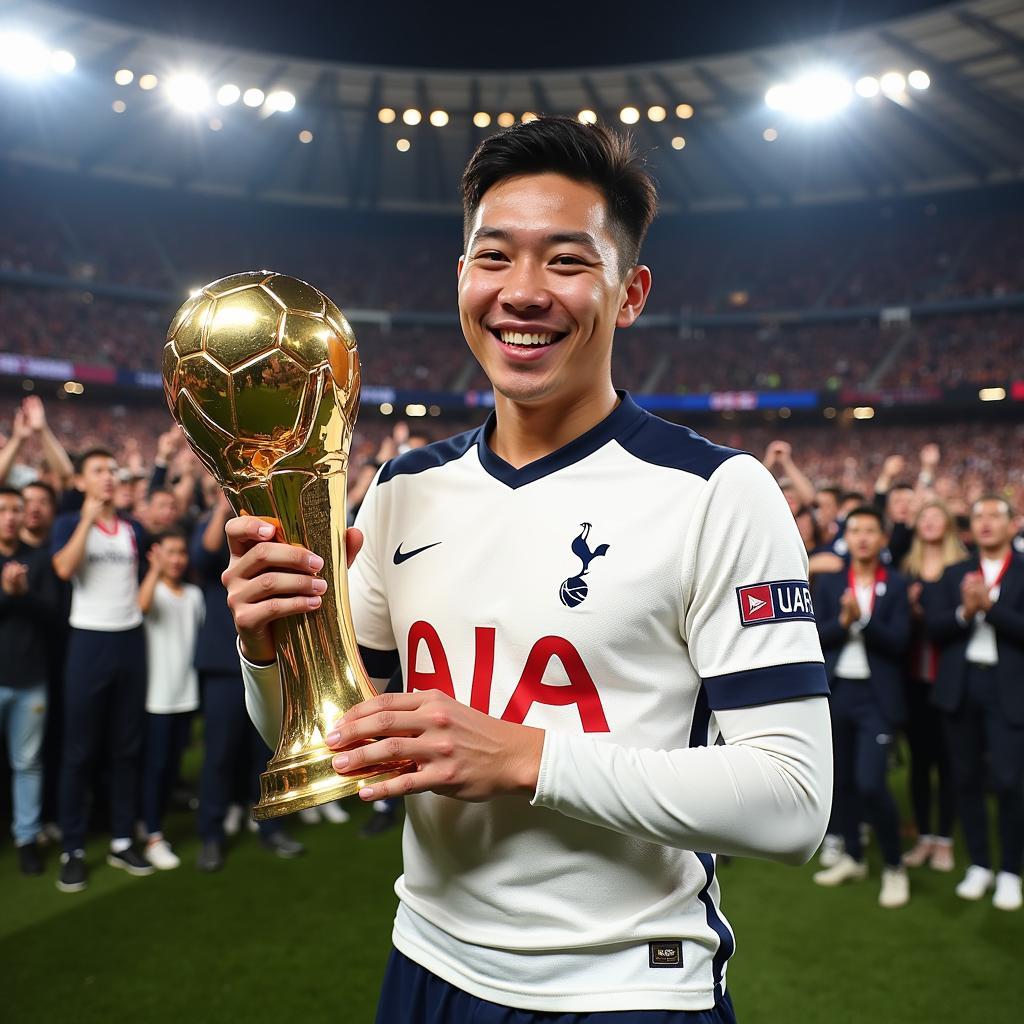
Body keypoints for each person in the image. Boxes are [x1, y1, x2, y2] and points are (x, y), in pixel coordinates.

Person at [226, 117, 832, 1021]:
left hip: (624, 986)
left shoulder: (717, 492)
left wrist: (526, 757)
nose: (523, 291)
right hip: (423, 958)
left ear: (630, 294)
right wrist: (274, 653)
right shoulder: (401, 488)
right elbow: (336, 744)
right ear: (463, 278)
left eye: (567, 261)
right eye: (495, 256)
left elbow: (791, 803)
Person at [51, 447, 153, 892]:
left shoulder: (133, 528)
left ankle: (119, 837)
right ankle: (72, 847)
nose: (108, 477)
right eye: (98, 471)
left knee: (127, 748)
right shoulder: (69, 525)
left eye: (112, 470)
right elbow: (63, 569)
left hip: (130, 640)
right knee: (79, 751)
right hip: (88, 641)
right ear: (80, 482)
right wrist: (88, 520)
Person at [191, 492, 303, 872]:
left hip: (272, 661)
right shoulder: (214, 527)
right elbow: (203, 556)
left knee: (269, 754)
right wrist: (224, 504)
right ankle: (211, 835)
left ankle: (273, 828)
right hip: (224, 664)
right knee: (219, 755)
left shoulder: (269, 527)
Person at [925, 495, 1024, 912]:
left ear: (1012, 524)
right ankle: (981, 864)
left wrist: (992, 609)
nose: (984, 523)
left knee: (1009, 783)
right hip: (961, 688)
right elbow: (934, 628)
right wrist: (966, 613)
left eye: (993, 516)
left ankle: (1010, 872)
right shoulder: (955, 572)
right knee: (964, 779)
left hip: (1009, 690)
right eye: (978, 516)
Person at [812, 506, 911, 907]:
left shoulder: (898, 583)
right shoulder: (831, 581)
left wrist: (863, 621)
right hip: (838, 692)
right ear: (846, 537)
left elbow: (901, 642)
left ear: (883, 539)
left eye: (871, 530)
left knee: (871, 783)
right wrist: (845, 621)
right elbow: (816, 635)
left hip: (877, 696)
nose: (864, 537)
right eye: (856, 530)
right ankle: (853, 855)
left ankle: (893, 866)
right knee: (844, 783)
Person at [899, 499, 964, 873]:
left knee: (949, 762)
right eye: (924, 517)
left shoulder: (962, 568)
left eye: (937, 516)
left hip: (951, 678)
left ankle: (945, 841)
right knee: (920, 763)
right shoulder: (906, 569)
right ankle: (924, 836)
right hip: (912, 679)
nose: (930, 522)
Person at [0, 487, 59, 875]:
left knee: (27, 764)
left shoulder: (39, 559)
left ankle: (26, 837)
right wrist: (8, 595)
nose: (9, 516)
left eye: (15, 510)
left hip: (30, 679)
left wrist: (21, 595)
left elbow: (54, 615)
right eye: (2, 509)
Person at [138, 528, 204, 870]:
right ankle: (152, 834)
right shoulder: (154, 590)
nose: (177, 559)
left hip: (186, 696)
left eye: (181, 552)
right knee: (156, 768)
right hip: (157, 698)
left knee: (172, 769)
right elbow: (141, 606)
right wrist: (152, 570)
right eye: (170, 552)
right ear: (157, 554)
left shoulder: (193, 595)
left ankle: (153, 824)